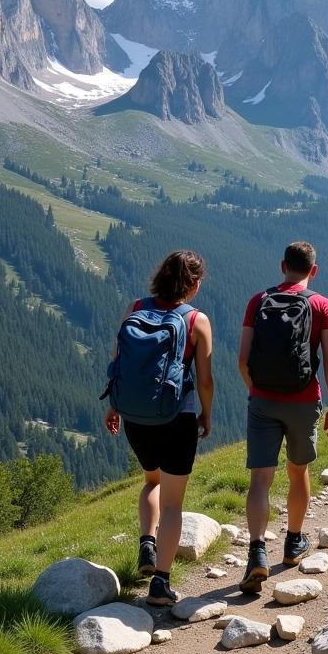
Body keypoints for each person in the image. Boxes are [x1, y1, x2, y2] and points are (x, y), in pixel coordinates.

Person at [104, 250, 214, 606]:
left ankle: (146, 545)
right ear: (194, 284)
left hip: (137, 417)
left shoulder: (135, 308)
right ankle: (161, 584)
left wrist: (114, 404)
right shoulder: (196, 320)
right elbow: (206, 379)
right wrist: (206, 413)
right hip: (177, 418)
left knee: (151, 481)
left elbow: (117, 361)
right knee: (173, 504)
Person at [237, 240, 328, 593]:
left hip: (262, 400)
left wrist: (257, 390)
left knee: (260, 480)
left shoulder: (258, 301)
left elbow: (242, 360)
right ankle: (294, 542)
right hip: (303, 401)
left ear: (283, 266)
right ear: (314, 270)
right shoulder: (322, 305)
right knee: (298, 472)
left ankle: (256, 553)